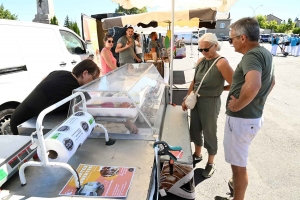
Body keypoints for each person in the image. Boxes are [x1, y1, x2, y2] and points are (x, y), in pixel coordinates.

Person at [221, 17, 275, 200]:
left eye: (231, 39)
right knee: (238, 163)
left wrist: (237, 105)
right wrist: (257, 101)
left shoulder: (251, 56)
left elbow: (253, 85)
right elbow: (272, 82)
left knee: (238, 166)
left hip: (242, 119)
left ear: (242, 38)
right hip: (250, 118)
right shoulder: (264, 53)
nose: (231, 42)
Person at [181, 33, 233, 178]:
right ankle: (197, 154)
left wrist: (220, 89)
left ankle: (211, 163)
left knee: (209, 131)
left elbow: (235, 83)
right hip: (196, 100)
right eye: (201, 49)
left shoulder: (221, 62)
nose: (203, 52)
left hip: (211, 102)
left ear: (215, 45)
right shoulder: (200, 61)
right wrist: (186, 98)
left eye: (206, 49)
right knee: (195, 128)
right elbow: (194, 81)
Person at [10, 59, 100, 135]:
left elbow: (45, 80)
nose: (93, 82)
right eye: (94, 78)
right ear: (85, 73)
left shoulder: (61, 73)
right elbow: (89, 106)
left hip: (18, 117)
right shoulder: (73, 87)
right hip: (24, 124)